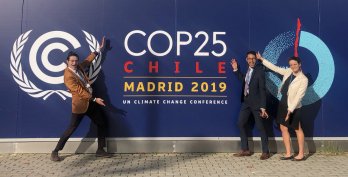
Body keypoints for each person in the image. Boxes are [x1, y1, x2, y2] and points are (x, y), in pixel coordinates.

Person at [51, 37, 111, 162]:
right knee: (71, 128)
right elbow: (79, 91)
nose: (74, 63)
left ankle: (100, 150)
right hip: (80, 105)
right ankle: (55, 151)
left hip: (91, 103)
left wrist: (98, 50)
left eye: (76, 61)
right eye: (72, 61)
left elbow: (88, 61)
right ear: (67, 61)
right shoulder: (67, 76)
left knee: (102, 123)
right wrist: (94, 99)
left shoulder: (79, 67)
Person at [256, 52, 308, 161]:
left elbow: (299, 97)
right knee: (283, 128)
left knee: (297, 129)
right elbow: (275, 68)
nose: (293, 66)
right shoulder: (288, 72)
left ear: (300, 64)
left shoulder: (303, 79)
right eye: (291, 64)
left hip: (294, 107)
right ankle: (288, 153)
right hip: (283, 103)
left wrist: (290, 110)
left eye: (295, 64)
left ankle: (301, 154)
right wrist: (262, 59)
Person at [230, 51, 270, 160]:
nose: (251, 60)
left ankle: (265, 152)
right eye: (249, 58)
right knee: (240, 123)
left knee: (261, 127)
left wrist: (263, 106)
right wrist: (236, 69)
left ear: (256, 60)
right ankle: (245, 150)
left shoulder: (259, 71)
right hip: (246, 102)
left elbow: (262, 89)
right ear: (246, 59)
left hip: (257, 104)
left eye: (253, 58)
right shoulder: (248, 70)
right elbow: (245, 81)